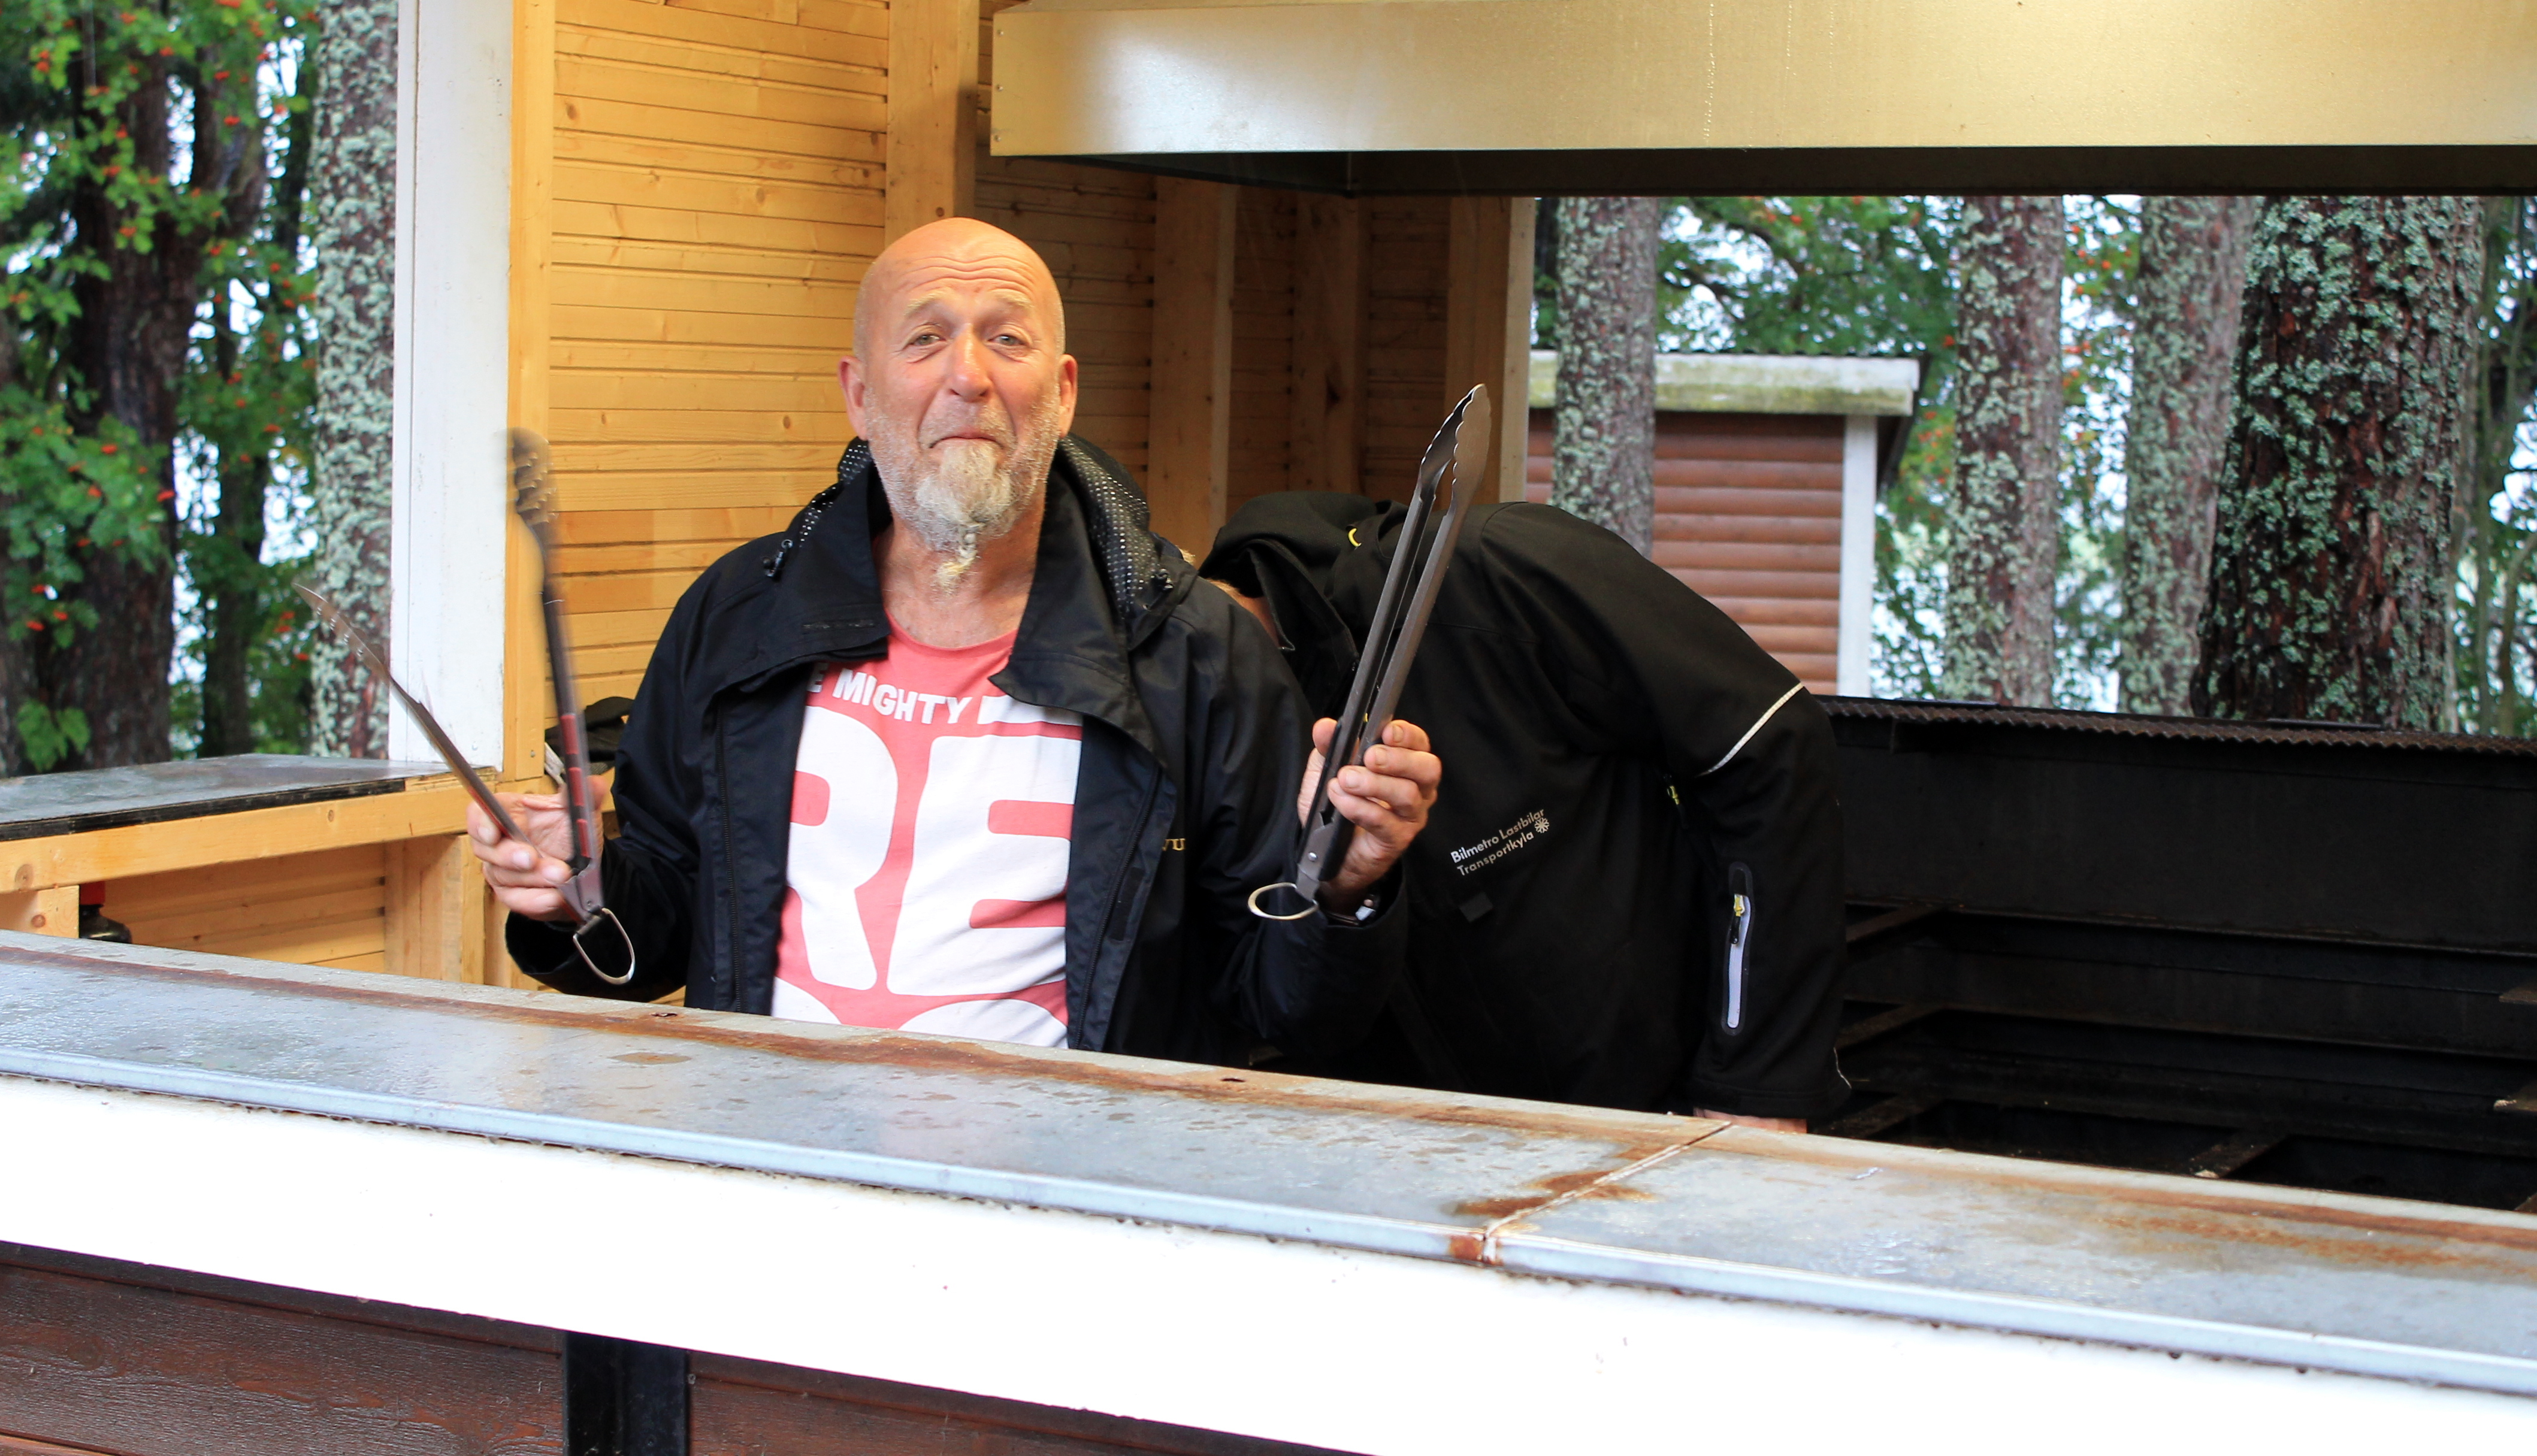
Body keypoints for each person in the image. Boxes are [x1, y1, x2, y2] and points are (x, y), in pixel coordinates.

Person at [469, 219, 1440, 1065]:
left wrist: (1345, 885)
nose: (967, 376)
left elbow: (1286, 1010)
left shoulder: (1193, 652)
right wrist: (576, 889)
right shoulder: (739, 617)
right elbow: (661, 929)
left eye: (1006, 338)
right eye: (924, 338)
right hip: (778, 1171)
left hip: (1068, 1193)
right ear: (859, 394)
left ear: (1062, 392)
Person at [1203, 492, 1847, 1126]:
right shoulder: (1207, 751)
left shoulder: (1491, 571)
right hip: (1431, 1149)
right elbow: (1281, 1011)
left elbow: (1770, 746)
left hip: (1665, 1114)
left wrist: (1758, 1083)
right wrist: (1342, 894)